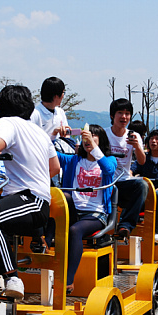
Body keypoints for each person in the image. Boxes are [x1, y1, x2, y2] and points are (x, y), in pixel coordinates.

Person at [0, 85, 60, 299]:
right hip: (36, 200)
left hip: (31, 200)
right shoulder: (40, 132)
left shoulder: (7, 122)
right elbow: (55, 168)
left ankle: (11, 278)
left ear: (0, 107)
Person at [48, 125, 116, 294]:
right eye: (86, 138)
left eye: (93, 137)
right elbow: (48, 152)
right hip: (73, 210)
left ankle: (69, 280)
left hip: (95, 214)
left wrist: (94, 147)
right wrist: (54, 134)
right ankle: (45, 243)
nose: (88, 141)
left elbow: (108, 169)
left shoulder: (109, 161)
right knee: (62, 197)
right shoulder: (73, 161)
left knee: (74, 230)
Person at [104, 98, 148, 239]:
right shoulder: (104, 134)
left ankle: (125, 226)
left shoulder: (134, 136)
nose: (124, 117)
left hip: (123, 182)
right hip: (104, 181)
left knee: (142, 185)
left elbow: (141, 162)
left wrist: (136, 147)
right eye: (120, 113)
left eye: (127, 113)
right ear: (112, 115)